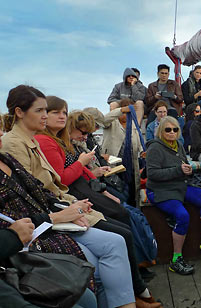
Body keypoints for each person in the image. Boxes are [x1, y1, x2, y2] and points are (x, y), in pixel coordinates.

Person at [0, 87, 161, 308]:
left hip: (60, 208)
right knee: (115, 238)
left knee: (119, 232)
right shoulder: (18, 144)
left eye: (51, 111)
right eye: (41, 111)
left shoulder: (35, 141)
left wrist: (73, 204)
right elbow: (37, 194)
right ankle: (136, 294)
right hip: (45, 224)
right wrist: (66, 210)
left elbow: (45, 189)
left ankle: (132, 296)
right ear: (19, 112)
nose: (47, 116)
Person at [146, 116, 201, 275]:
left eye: (175, 129)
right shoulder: (154, 148)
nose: (172, 132)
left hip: (179, 185)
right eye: (168, 129)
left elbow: (180, 167)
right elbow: (152, 174)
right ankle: (176, 259)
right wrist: (178, 170)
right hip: (161, 190)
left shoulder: (178, 145)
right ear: (161, 131)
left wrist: (186, 169)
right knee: (182, 215)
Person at [103, 98, 145, 206]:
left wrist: (142, 152)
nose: (127, 115)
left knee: (131, 190)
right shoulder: (112, 123)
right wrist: (121, 110)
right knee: (118, 191)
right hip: (113, 164)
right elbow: (103, 120)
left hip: (130, 164)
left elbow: (139, 141)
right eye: (125, 112)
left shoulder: (134, 124)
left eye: (129, 112)